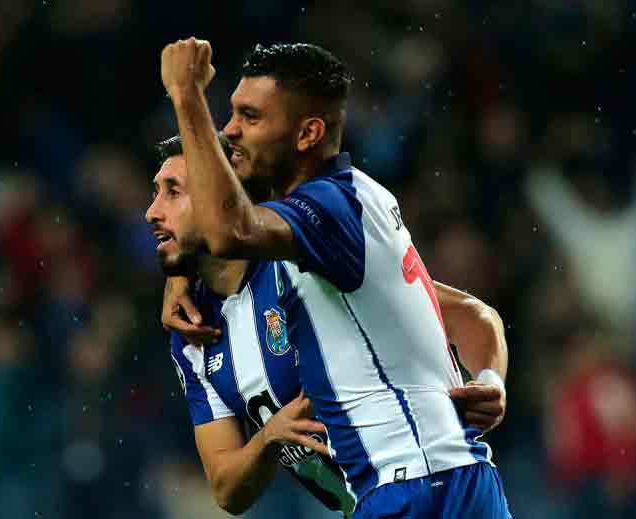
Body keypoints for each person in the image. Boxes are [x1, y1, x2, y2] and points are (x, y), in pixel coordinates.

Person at [159, 39, 512, 518]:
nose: (231, 131)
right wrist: (181, 271)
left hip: (414, 484)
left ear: (307, 134)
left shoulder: (332, 210)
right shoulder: (308, 235)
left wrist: (186, 96)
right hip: (435, 482)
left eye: (251, 117)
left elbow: (230, 230)